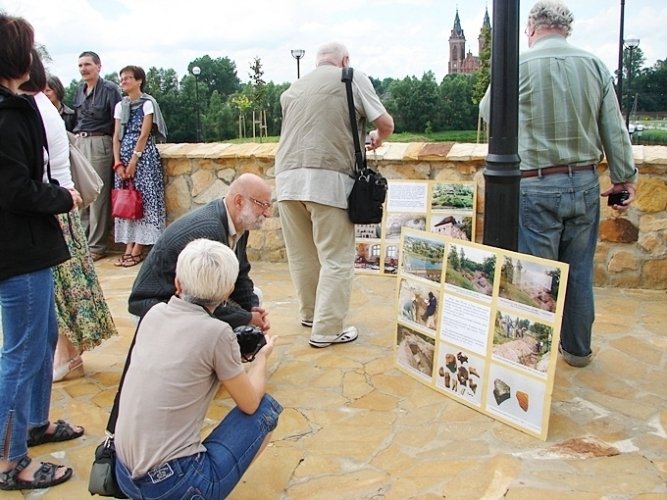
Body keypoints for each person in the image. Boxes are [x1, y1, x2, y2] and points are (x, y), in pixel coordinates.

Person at [480, 1, 637, 367]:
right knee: (579, 272)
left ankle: (537, 360)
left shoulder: (517, 64)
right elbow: (614, 129)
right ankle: (578, 351)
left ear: (531, 28)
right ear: (566, 28)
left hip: (535, 184)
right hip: (584, 182)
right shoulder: (594, 65)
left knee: (538, 276)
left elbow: (490, 112)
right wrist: (624, 178)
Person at [115, 238, 282, 499]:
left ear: (178, 283)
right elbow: (250, 403)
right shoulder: (217, 333)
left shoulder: (154, 314)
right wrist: (261, 359)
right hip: (172, 486)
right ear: (227, 292)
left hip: (123, 474)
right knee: (265, 409)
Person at [0, 13, 84, 491]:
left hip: (25, 247)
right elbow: (15, 190)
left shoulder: (15, 108)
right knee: (22, 354)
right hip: (18, 248)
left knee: (42, 336)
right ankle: (9, 460)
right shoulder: (9, 114)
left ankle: (32, 424)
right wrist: (62, 198)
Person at [275, 41, 394, 348]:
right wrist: (376, 138)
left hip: (286, 181)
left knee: (303, 255)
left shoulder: (292, 89)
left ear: (317, 62)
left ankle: (311, 314)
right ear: (345, 60)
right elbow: (385, 123)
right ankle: (327, 330)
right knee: (337, 258)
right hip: (327, 180)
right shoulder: (351, 77)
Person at [20, 49, 118, 382]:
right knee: (61, 289)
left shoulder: (34, 108)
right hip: (57, 205)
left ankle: (68, 356)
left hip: (53, 207)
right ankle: (67, 356)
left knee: (60, 289)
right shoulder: (39, 106)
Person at [128, 173, 271, 330]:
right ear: (239, 201)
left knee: (255, 295)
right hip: (155, 307)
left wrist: (252, 307)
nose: (267, 213)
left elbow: (240, 274)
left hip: (190, 299)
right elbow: (203, 302)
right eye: (262, 205)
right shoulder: (209, 232)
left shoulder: (239, 225)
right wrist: (247, 318)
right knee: (220, 329)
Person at [112, 65, 167, 267]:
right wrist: (117, 162)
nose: (124, 81)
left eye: (128, 78)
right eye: (122, 78)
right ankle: (128, 246)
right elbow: (116, 136)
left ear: (139, 81)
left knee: (143, 200)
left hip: (143, 161)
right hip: (123, 161)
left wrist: (134, 160)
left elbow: (144, 135)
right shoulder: (121, 106)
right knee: (127, 202)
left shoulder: (147, 103)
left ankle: (139, 248)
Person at [72, 50, 122, 261]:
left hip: (100, 142)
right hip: (80, 142)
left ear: (98, 67)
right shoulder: (79, 90)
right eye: (81, 65)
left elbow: (119, 120)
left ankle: (96, 246)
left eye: (88, 65)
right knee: (81, 193)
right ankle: (82, 244)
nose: (84, 69)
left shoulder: (109, 89)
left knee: (98, 196)